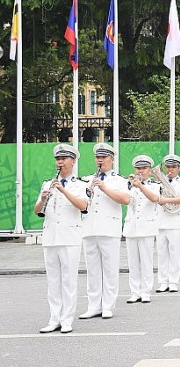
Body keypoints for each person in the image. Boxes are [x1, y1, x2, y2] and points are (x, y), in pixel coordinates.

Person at [36, 144, 88, 334]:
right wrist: (43, 198)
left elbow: (83, 206)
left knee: (68, 280)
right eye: (58, 159)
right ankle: (54, 318)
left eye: (64, 159)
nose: (60, 162)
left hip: (70, 237)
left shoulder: (80, 185)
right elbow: (37, 211)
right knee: (53, 281)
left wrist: (64, 191)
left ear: (73, 162)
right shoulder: (46, 184)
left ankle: (67, 319)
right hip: (50, 237)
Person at [79, 143, 130, 320]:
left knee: (109, 268)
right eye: (98, 158)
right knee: (92, 270)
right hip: (90, 228)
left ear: (112, 160)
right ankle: (93, 305)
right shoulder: (86, 179)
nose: (100, 161)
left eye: (104, 158)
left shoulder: (120, 180)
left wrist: (104, 187)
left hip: (109, 229)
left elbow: (125, 199)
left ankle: (108, 305)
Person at [123, 154, 160, 304]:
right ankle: (135, 291)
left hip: (147, 227)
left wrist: (140, 186)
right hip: (132, 226)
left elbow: (154, 199)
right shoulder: (129, 185)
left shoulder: (155, 185)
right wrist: (132, 184)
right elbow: (127, 200)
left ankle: (145, 291)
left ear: (150, 170)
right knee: (133, 262)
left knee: (146, 261)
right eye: (138, 168)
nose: (140, 171)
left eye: (144, 168)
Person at [156, 154, 180, 293]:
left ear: (179, 168)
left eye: (174, 167)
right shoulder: (158, 183)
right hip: (160, 221)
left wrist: (165, 200)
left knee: (175, 253)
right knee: (162, 253)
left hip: (175, 221)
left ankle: (174, 281)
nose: (171, 169)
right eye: (168, 166)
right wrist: (162, 199)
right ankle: (163, 281)